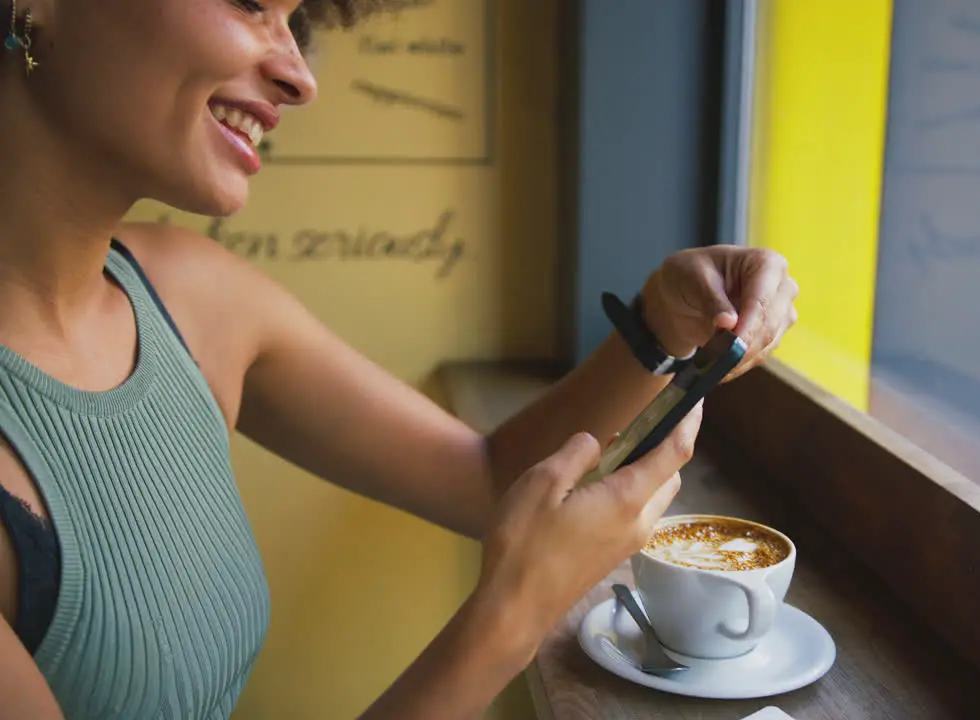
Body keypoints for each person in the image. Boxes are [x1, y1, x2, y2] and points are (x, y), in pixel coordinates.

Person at [0, 0, 799, 717]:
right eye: (250, 3)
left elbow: (492, 480)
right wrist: (513, 615)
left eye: (296, 18)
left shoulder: (190, 296)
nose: (299, 76)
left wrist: (661, 325)